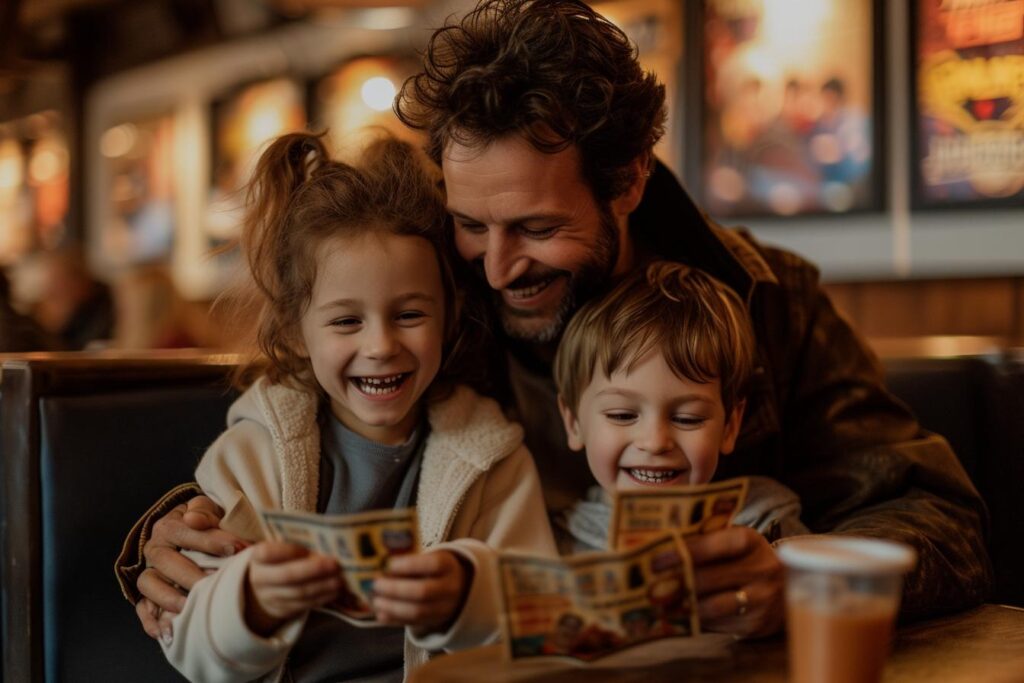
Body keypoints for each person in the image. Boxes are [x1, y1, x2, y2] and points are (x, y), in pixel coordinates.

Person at [120, 0, 990, 646]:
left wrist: (795, 580)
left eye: (538, 229)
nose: (497, 269)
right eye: (472, 225)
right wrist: (177, 528)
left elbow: (939, 518)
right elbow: (310, 416)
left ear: (628, 184)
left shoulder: (764, 300)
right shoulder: (437, 288)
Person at [150, 132, 555, 682]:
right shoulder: (250, 454)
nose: (381, 345)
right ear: (297, 331)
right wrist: (250, 602)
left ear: (450, 316)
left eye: (410, 315)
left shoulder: (494, 457)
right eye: (346, 321)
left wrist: (467, 593)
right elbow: (189, 646)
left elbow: (544, 613)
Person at [552, 262, 808, 566]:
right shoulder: (556, 542)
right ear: (573, 423)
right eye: (622, 415)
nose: (655, 442)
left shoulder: (768, 524)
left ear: (730, 425)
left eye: (688, 418)